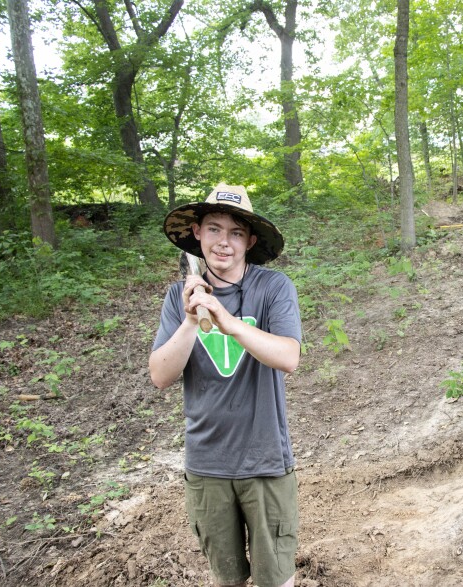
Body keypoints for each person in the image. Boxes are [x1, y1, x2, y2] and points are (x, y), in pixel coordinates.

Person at [149, 183, 302, 587]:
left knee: (277, 578)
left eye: (236, 233)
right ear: (197, 233)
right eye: (214, 229)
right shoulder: (177, 298)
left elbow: (288, 358)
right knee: (226, 578)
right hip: (207, 464)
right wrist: (188, 320)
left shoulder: (273, 289)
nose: (224, 242)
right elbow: (161, 376)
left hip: (265, 459)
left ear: (250, 241)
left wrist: (227, 321)